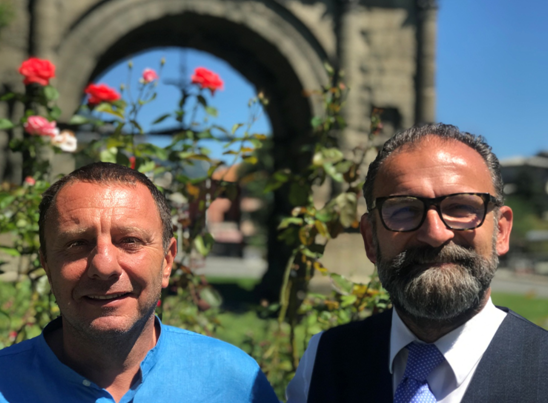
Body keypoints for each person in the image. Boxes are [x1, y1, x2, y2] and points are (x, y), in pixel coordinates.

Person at [286, 123, 548, 403]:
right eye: (404, 209)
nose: (435, 234)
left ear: (501, 232)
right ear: (370, 239)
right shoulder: (323, 360)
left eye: (461, 207)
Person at [0, 162, 279, 403]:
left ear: (167, 261)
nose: (104, 266)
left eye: (130, 241)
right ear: (47, 266)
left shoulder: (234, 383)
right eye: (77, 243)